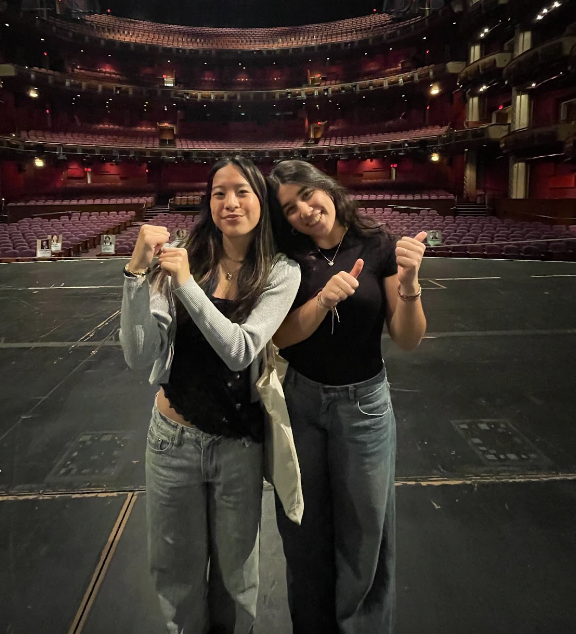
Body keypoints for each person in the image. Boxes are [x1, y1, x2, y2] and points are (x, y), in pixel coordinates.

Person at [119, 156, 301, 634]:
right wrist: (136, 275)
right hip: (171, 442)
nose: (230, 202)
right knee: (174, 575)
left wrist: (184, 286)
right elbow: (140, 356)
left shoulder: (281, 272)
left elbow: (239, 351)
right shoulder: (185, 256)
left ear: (261, 199)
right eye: (219, 192)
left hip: (238, 446)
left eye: (242, 191)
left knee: (236, 580)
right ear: (208, 201)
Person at [267, 160, 427, 634]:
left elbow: (407, 337)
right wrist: (322, 301)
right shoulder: (285, 256)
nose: (304, 211)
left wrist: (411, 285)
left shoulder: (377, 244)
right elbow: (280, 338)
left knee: (365, 534)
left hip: (364, 406)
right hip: (301, 403)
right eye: (290, 208)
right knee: (302, 531)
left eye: (307, 195)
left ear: (327, 189)